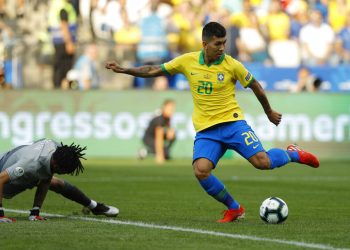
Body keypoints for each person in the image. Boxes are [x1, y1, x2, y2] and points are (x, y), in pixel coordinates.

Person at [105, 22, 320, 223]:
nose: (222, 48)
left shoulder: (232, 65)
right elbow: (153, 70)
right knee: (201, 170)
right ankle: (235, 208)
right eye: (218, 44)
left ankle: (293, 153)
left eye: (224, 43)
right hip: (207, 131)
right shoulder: (186, 61)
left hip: (233, 124)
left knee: (262, 162)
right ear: (204, 44)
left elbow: (256, 86)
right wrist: (125, 70)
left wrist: (269, 111)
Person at [0, 139, 118, 223]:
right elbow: (1, 179)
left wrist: (35, 212)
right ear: (56, 165)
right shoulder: (30, 163)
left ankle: (95, 207)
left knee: (58, 184)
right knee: (53, 181)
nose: (66, 173)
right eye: (64, 171)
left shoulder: (56, 150)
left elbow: (47, 177)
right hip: (4, 171)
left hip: (24, 173)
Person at [48, 0, 78, 88]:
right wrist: (69, 43)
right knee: (64, 70)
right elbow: (64, 24)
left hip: (59, 42)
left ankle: (58, 88)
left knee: (59, 68)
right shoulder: (63, 6)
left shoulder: (57, 4)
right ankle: (60, 91)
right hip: (63, 43)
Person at [139, 99, 176, 164]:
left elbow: (168, 131)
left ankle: (164, 151)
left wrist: (170, 132)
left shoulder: (167, 118)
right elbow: (159, 138)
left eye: (173, 109)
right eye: (170, 109)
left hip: (157, 137)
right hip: (149, 138)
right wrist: (160, 156)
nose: (172, 111)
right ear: (164, 108)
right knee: (163, 154)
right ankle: (145, 152)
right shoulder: (159, 119)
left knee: (174, 135)